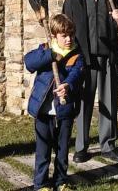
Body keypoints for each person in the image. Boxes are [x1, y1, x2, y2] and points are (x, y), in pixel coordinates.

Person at [63, 0, 118, 163]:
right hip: (84, 59)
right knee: (83, 102)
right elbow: (66, 29)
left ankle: (108, 145)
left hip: (108, 56)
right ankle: (81, 147)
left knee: (108, 100)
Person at [24, 14, 84, 191]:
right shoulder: (45, 49)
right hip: (43, 111)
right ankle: (40, 184)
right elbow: (29, 62)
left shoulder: (76, 55)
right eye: (64, 35)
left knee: (62, 149)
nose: (68, 39)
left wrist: (67, 84)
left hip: (64, 110)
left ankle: (61, 181)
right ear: (54, 35)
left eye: (71, 35)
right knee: (43, 151)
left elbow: (77, 73)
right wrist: (49, 54)